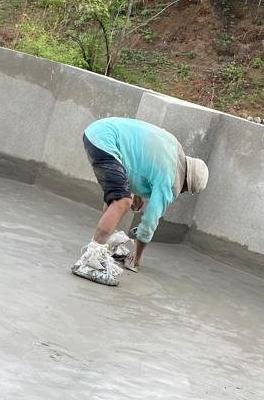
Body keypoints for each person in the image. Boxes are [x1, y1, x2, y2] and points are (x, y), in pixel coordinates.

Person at [72, 117, 209, 286]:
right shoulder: (172, 181)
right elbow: (150, 221)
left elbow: (141, 158)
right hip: (106, 142)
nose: (181, 192)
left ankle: (107, 243)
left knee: (118, 196)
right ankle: (90, 261)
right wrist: (136, 257)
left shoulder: (174, 147)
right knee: (122, 201)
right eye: (186, 190)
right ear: (186, 184)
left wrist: (134, 189)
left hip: (98, 131)